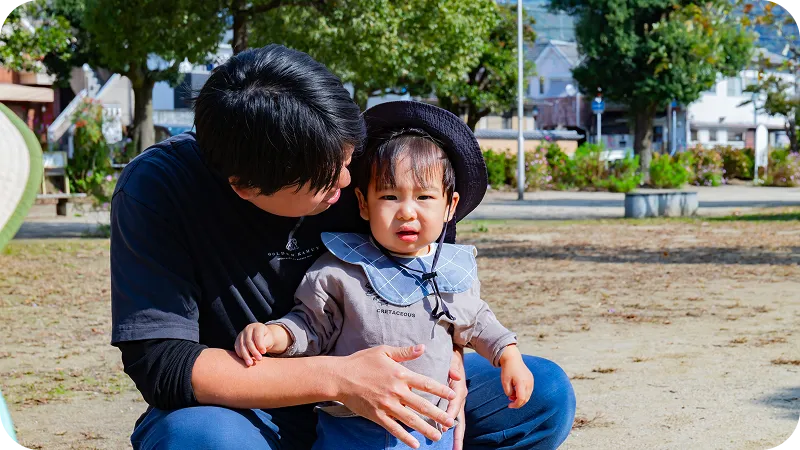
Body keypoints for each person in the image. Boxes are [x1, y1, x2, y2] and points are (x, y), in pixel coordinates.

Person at [111, 44, 576, 450]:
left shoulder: (344, 151)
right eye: (326, 178)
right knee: (194, 440)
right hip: (256, 406)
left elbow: (433, 276)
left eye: (348, 158)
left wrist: (449, 359)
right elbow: (162, 364)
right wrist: (339, 378)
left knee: (545, 394)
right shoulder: (160, 189)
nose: (349, 180)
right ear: (245, 187)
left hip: (396, 383)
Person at [235, 102, 534, 449]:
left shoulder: (450, 271)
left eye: (424, 197)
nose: (407, 211)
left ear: (450, 207)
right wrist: (274, 335)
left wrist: (510, 356)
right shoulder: (340, 269)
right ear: (363, 204)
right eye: (390, 196)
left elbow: (479, 323)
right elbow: (311, 326)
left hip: (430, 423)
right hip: (351, 427)